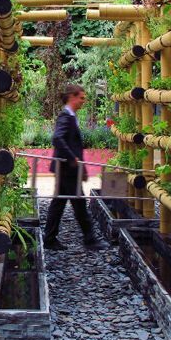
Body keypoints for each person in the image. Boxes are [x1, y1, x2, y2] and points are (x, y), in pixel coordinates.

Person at [43, 84, 110, 251]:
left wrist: (83, 169)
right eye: (81, 97)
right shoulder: (66, 116)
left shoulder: (70, 116)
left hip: (67, 169)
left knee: (59, 204)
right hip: (67, 170)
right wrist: (72, 158)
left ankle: (50, 239)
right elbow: (58, 138)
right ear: (72, 97)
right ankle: (90, 239)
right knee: (78, 204)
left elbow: (70, 144)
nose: (83, 101)